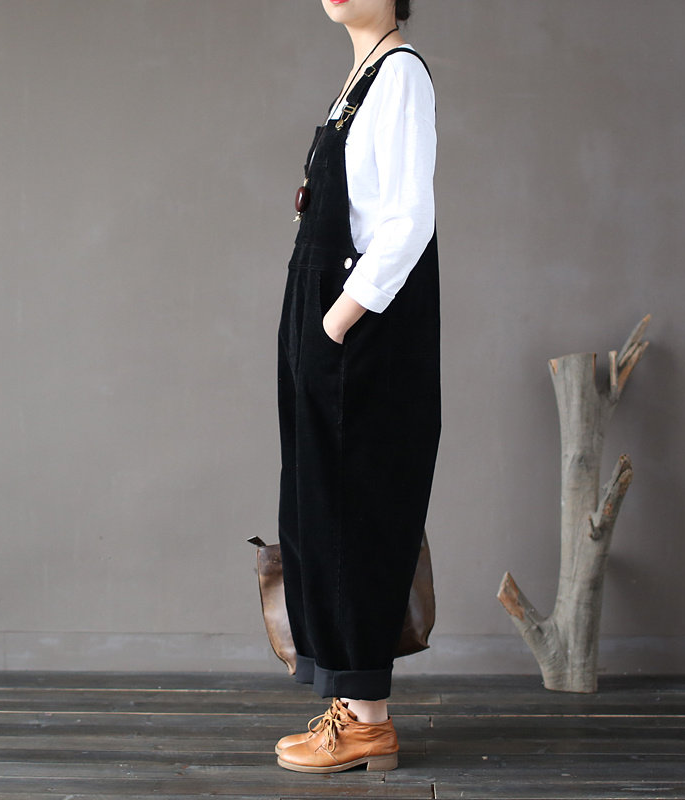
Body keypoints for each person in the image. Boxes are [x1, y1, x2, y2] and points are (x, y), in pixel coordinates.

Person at [274, 0, 440, 773]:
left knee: (355, 512)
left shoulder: (399, 75)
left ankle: (368, 721)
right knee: (320, 508)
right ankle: (348, 704)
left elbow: (407, 221)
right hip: (324, 316)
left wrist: (338, 320)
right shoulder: (361, 76)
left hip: (359, 324)